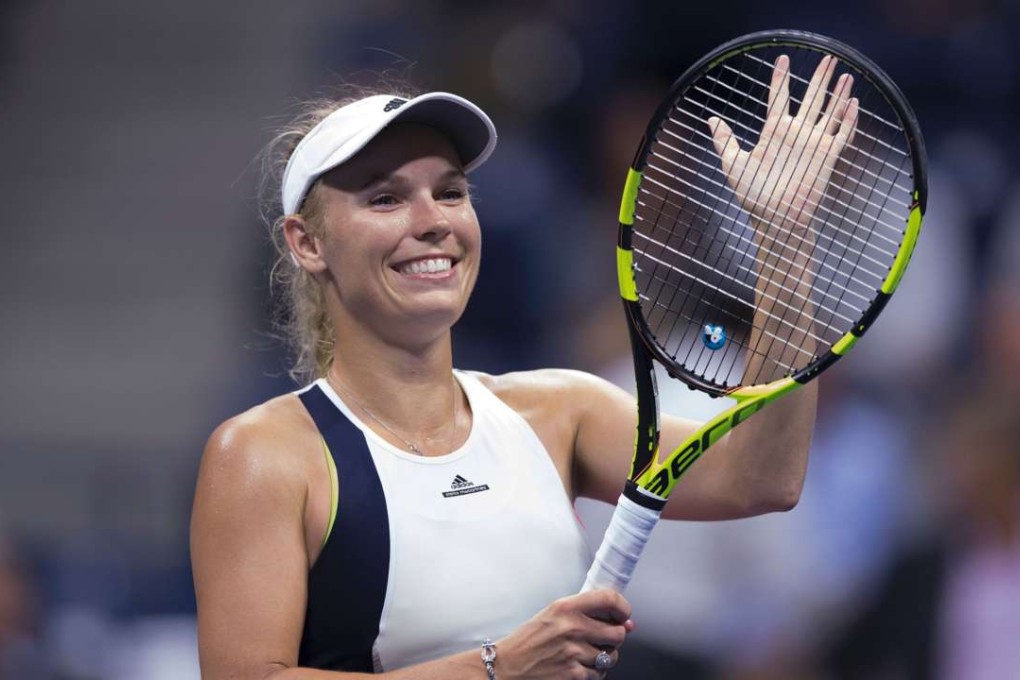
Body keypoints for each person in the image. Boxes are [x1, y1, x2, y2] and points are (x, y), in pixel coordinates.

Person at [191, 55, 856, 679]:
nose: (433, 221)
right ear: (307, 242)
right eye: (386, 199)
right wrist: (498, 667)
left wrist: (784, 237)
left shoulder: (559, 411)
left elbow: (760, 476)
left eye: (451, 192)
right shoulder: (262, 456)